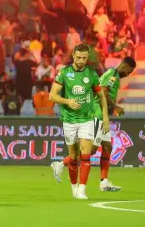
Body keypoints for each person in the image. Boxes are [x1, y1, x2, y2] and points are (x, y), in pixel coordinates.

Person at [51, 57, 136, 192]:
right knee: (90, 150)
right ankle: (60, 164)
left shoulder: (112, 75)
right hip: (98, 114)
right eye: (129, 71)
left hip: (102, 114)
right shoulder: (113, 76)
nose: (128, 75)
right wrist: (116, 106)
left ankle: (104, 182)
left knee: (107, 147)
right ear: (124, 66)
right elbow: (104, 93)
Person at [47, 43, 110, 200]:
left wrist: (105, 118)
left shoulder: (92, 75)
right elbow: (52, 96)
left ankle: (82, 190)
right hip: (69, 120)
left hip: (86, 119)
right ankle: (74, 187)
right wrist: (68, 101)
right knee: (74, 156)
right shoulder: (64, 73)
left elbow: (102, 97)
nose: (81, 61)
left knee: (86, 153)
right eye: (79, 57)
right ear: (73, 56)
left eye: (84, 58)